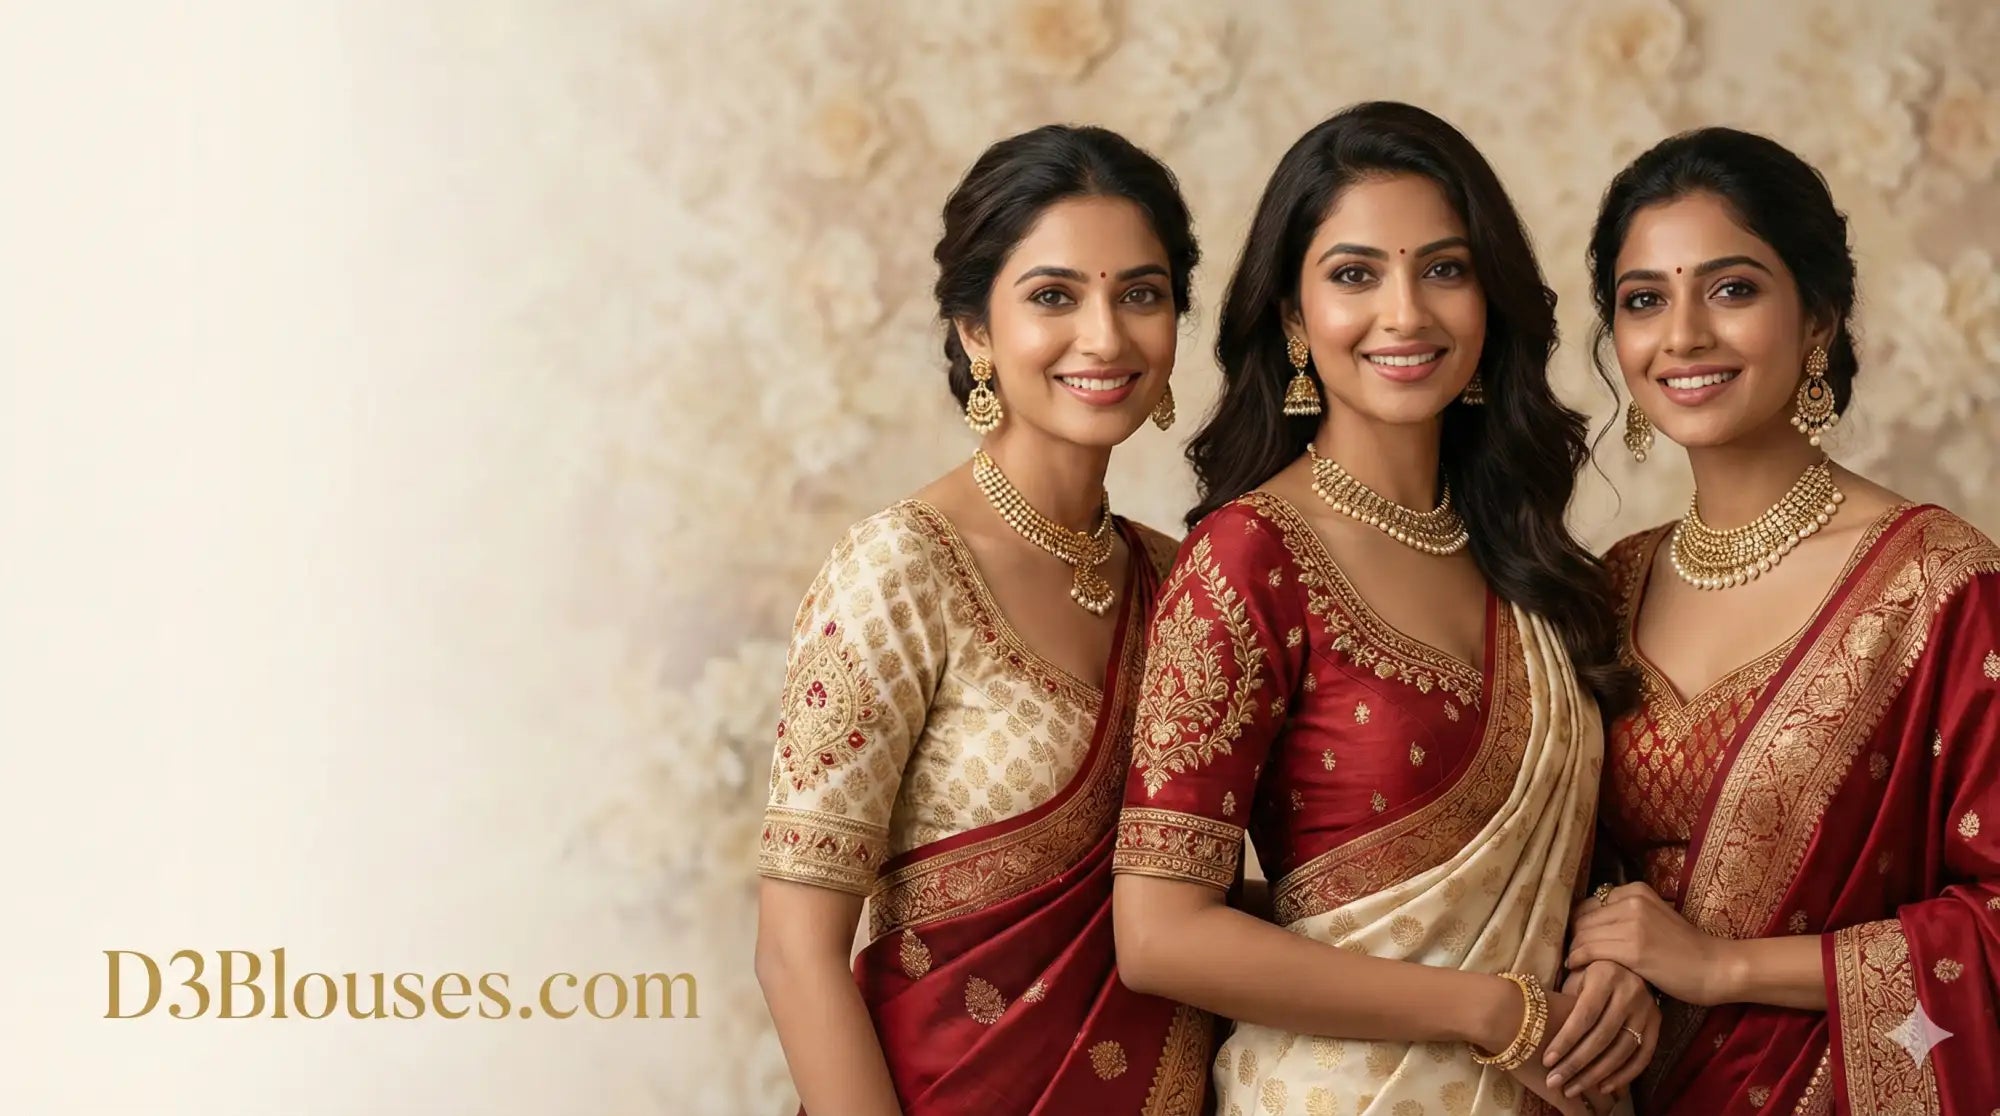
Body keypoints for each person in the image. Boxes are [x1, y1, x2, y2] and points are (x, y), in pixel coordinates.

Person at [1109, 101, 1656, 1116]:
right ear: (1289, 319)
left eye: (1443, 270)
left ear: (1488, 301)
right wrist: (1492, 1015)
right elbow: (1159, 935)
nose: (1404, 314)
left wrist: (1621, 959)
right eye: (1353, 275)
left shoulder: (1529, 559)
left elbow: (1590, 853)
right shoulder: (1247, 555)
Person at [753, 123, 1213, 1115]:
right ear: (974, 334)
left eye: (1139, 293)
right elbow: (795, 950)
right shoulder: (900, 571)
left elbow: (1187, 911)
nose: (1104, 335)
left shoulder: (1183, 585)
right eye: (1053, 296)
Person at [1571, 125, 2000, 1115]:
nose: (1680, 335)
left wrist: (1719, 968)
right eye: (1643, 300)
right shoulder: (1604, 589)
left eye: (1730, 289)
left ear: (1816, 321)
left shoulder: (1939, 585)